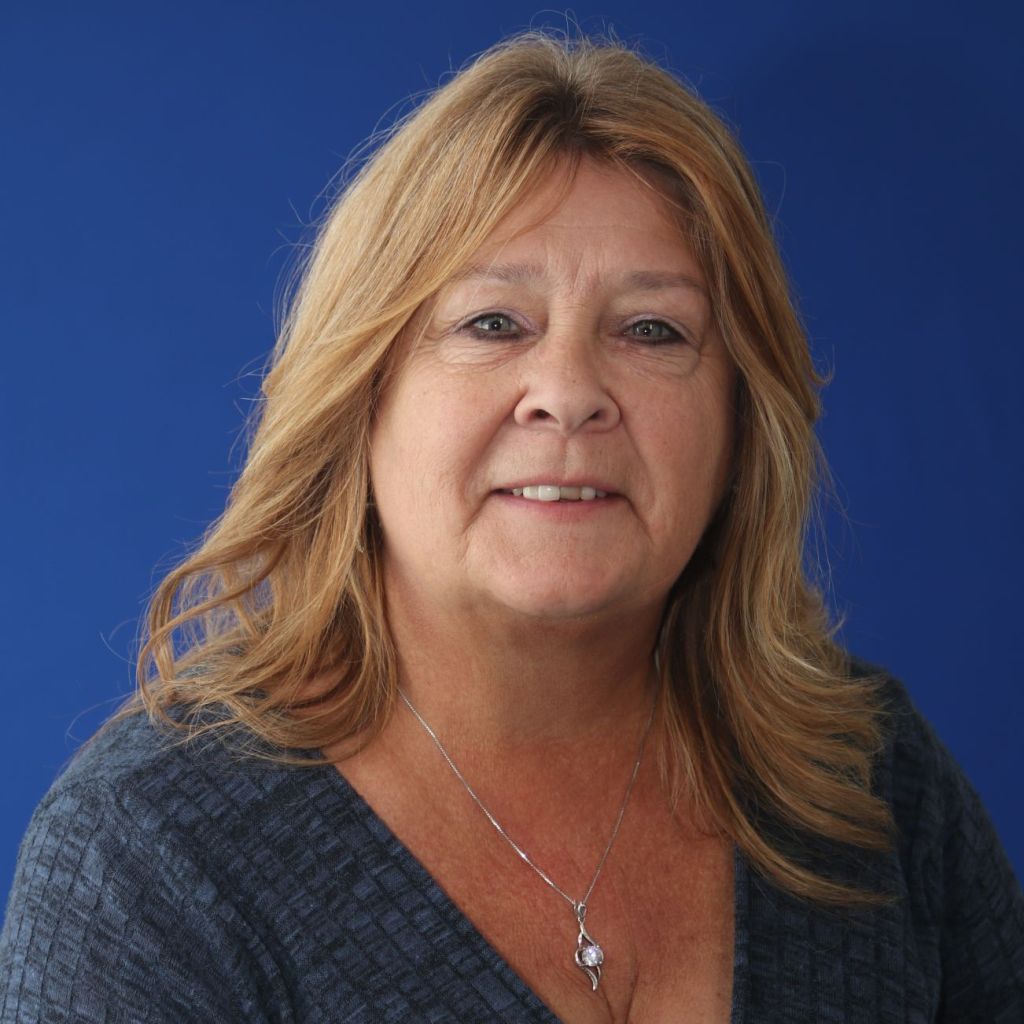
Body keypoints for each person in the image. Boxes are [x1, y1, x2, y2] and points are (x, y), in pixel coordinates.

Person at [1, 30, 1021, 1024]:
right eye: (493, 322)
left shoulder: (874, 786)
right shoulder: (149, 862)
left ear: (740, 423)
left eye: (652, 329)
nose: (568, 393)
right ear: (360, 395)